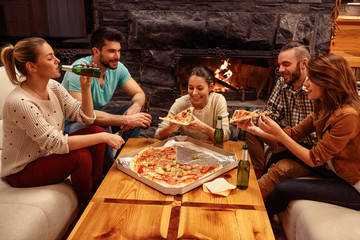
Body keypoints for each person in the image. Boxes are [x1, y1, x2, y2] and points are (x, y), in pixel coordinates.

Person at [0, 37, 124, 206]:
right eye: (50, 58)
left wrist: (85, 87)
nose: (58, 61)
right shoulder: (21, 102)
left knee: (96, 130)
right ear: (32, 66)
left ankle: (97, 188)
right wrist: (104, 138)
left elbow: (86, 118)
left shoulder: (53, 86)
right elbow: (56, 143)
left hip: (46, 157)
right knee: (81, 156)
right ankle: (87, 205)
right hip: (22, 171)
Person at [237, 53, 360, 216]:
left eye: (311, 79)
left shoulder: (348, 116)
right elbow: (295, 134)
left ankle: (258, 219)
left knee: (283, 189)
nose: (305, 84)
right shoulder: (324, 105)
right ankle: (242, 203)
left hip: (352, 184)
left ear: (328, 82)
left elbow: (315, 158)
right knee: (282, 154)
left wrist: (280, 135)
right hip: (331, 166)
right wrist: (253, 129)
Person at [61, 27, 152, 173]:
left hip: (91, 118)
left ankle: (123, 162)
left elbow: (139, 94)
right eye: (111, 51)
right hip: (70, 126)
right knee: (102, 129)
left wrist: (135, 107)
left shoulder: (117, 68)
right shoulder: (79, 70)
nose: (117, 56)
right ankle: (108, 172)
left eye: (119, 50)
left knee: (137, 117)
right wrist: (125, 120)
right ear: (96, 51)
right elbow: (83, 116)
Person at [246, 40, 317, 178]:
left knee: (280, 168)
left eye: (286, 64)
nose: (280, 70)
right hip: (289, 136)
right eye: (279, 65)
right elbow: (272, 112)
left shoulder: (316, 87)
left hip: (310, 148)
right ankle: (257, 172)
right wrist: (251, 118)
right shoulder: (282, 82)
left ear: (304, 64)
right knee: (250, 128)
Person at [155, 66, 230, 141]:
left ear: (211, 87)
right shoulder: (181, 102)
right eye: (191, 88)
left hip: (212, 149)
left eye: (200, 88)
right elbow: (158, 135)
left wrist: (202, 127)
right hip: (187, 149)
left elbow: (225, 136)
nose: (194, 93)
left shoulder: (218, 100)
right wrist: (169, 129)